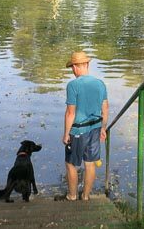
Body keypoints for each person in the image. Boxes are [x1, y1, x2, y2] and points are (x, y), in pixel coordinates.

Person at [61, 51, 108, 201]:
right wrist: (103, 128)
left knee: (70, 164)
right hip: (95, 129)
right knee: (90, 164)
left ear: (75, 67)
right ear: (87, 65)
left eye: (72, 67)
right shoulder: (100, 84)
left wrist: (66, 134)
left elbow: (70, 113)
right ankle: (86, 196)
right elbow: (105, 108)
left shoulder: (73, 85)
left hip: (78, 131)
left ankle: (72, 195)